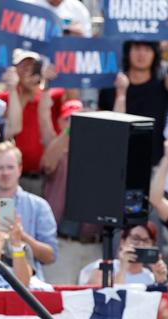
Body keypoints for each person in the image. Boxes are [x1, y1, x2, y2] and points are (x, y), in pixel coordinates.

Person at [38, 98, 102, 284]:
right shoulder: (61, 154)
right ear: (61, 122)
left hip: (94, 245)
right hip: (63, 243)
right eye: (68, 119)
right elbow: (47, 163)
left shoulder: (103, 156)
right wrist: (71, 129)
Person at [99, 39, 168, 165]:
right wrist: (121, 94)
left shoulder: (163, 87)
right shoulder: (110, 89)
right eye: (137, 48)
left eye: (147, 50)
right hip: (119, 163)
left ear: (155, 54)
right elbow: (105, 128)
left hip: (154, 164)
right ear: (128, 52)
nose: (142, 54)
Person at [0, 142, 57, 281]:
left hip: (28, 286)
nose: (5, 173)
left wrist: (21, 236)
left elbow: (50, 256)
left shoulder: (38, 206)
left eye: (10, 167)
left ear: (19, 169)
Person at [0, 50, 64, 195]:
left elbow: (71, 99)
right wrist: (20, 92)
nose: (28, 69)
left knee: (35, 215)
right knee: (5, 215)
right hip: (7, 177)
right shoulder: (2, 98)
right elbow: (11, 127)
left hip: (38, 179)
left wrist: (48, 80)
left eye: (32, 65)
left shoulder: (48, 96)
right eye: (23, 65)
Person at [79, 223, 168, 286]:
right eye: (135, 239)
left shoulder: (151, 277)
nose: (141, 244)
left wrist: (160, 282)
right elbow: (101, 300)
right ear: (122, 242)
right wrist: (122, 269)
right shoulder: (103, 267)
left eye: (146, 241)